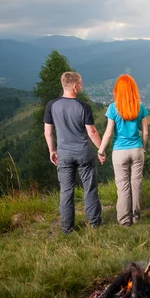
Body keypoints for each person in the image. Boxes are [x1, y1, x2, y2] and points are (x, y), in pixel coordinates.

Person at [44, 71, 104, 234]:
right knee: (89, 188)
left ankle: (66, 228)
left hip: (64, 155)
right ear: (75, 86)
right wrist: (101, 149)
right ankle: (95, 223)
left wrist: (52, 150)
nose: (81, 87)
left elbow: (48, 132)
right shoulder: (83, 106)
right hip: (84, 153)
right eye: (81, 84)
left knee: (66, 191)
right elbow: (91, 131)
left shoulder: (52, 105)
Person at [98, 74, 149, 226]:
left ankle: (124, 220)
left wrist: (101, 151)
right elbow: (145, 132)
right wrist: (143, 147)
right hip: (137, 150)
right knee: (136, 184)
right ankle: (136, 217)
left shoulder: (113, 108)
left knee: (123, 186)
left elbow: (108, 133)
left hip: (119, 152)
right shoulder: (140, 107)